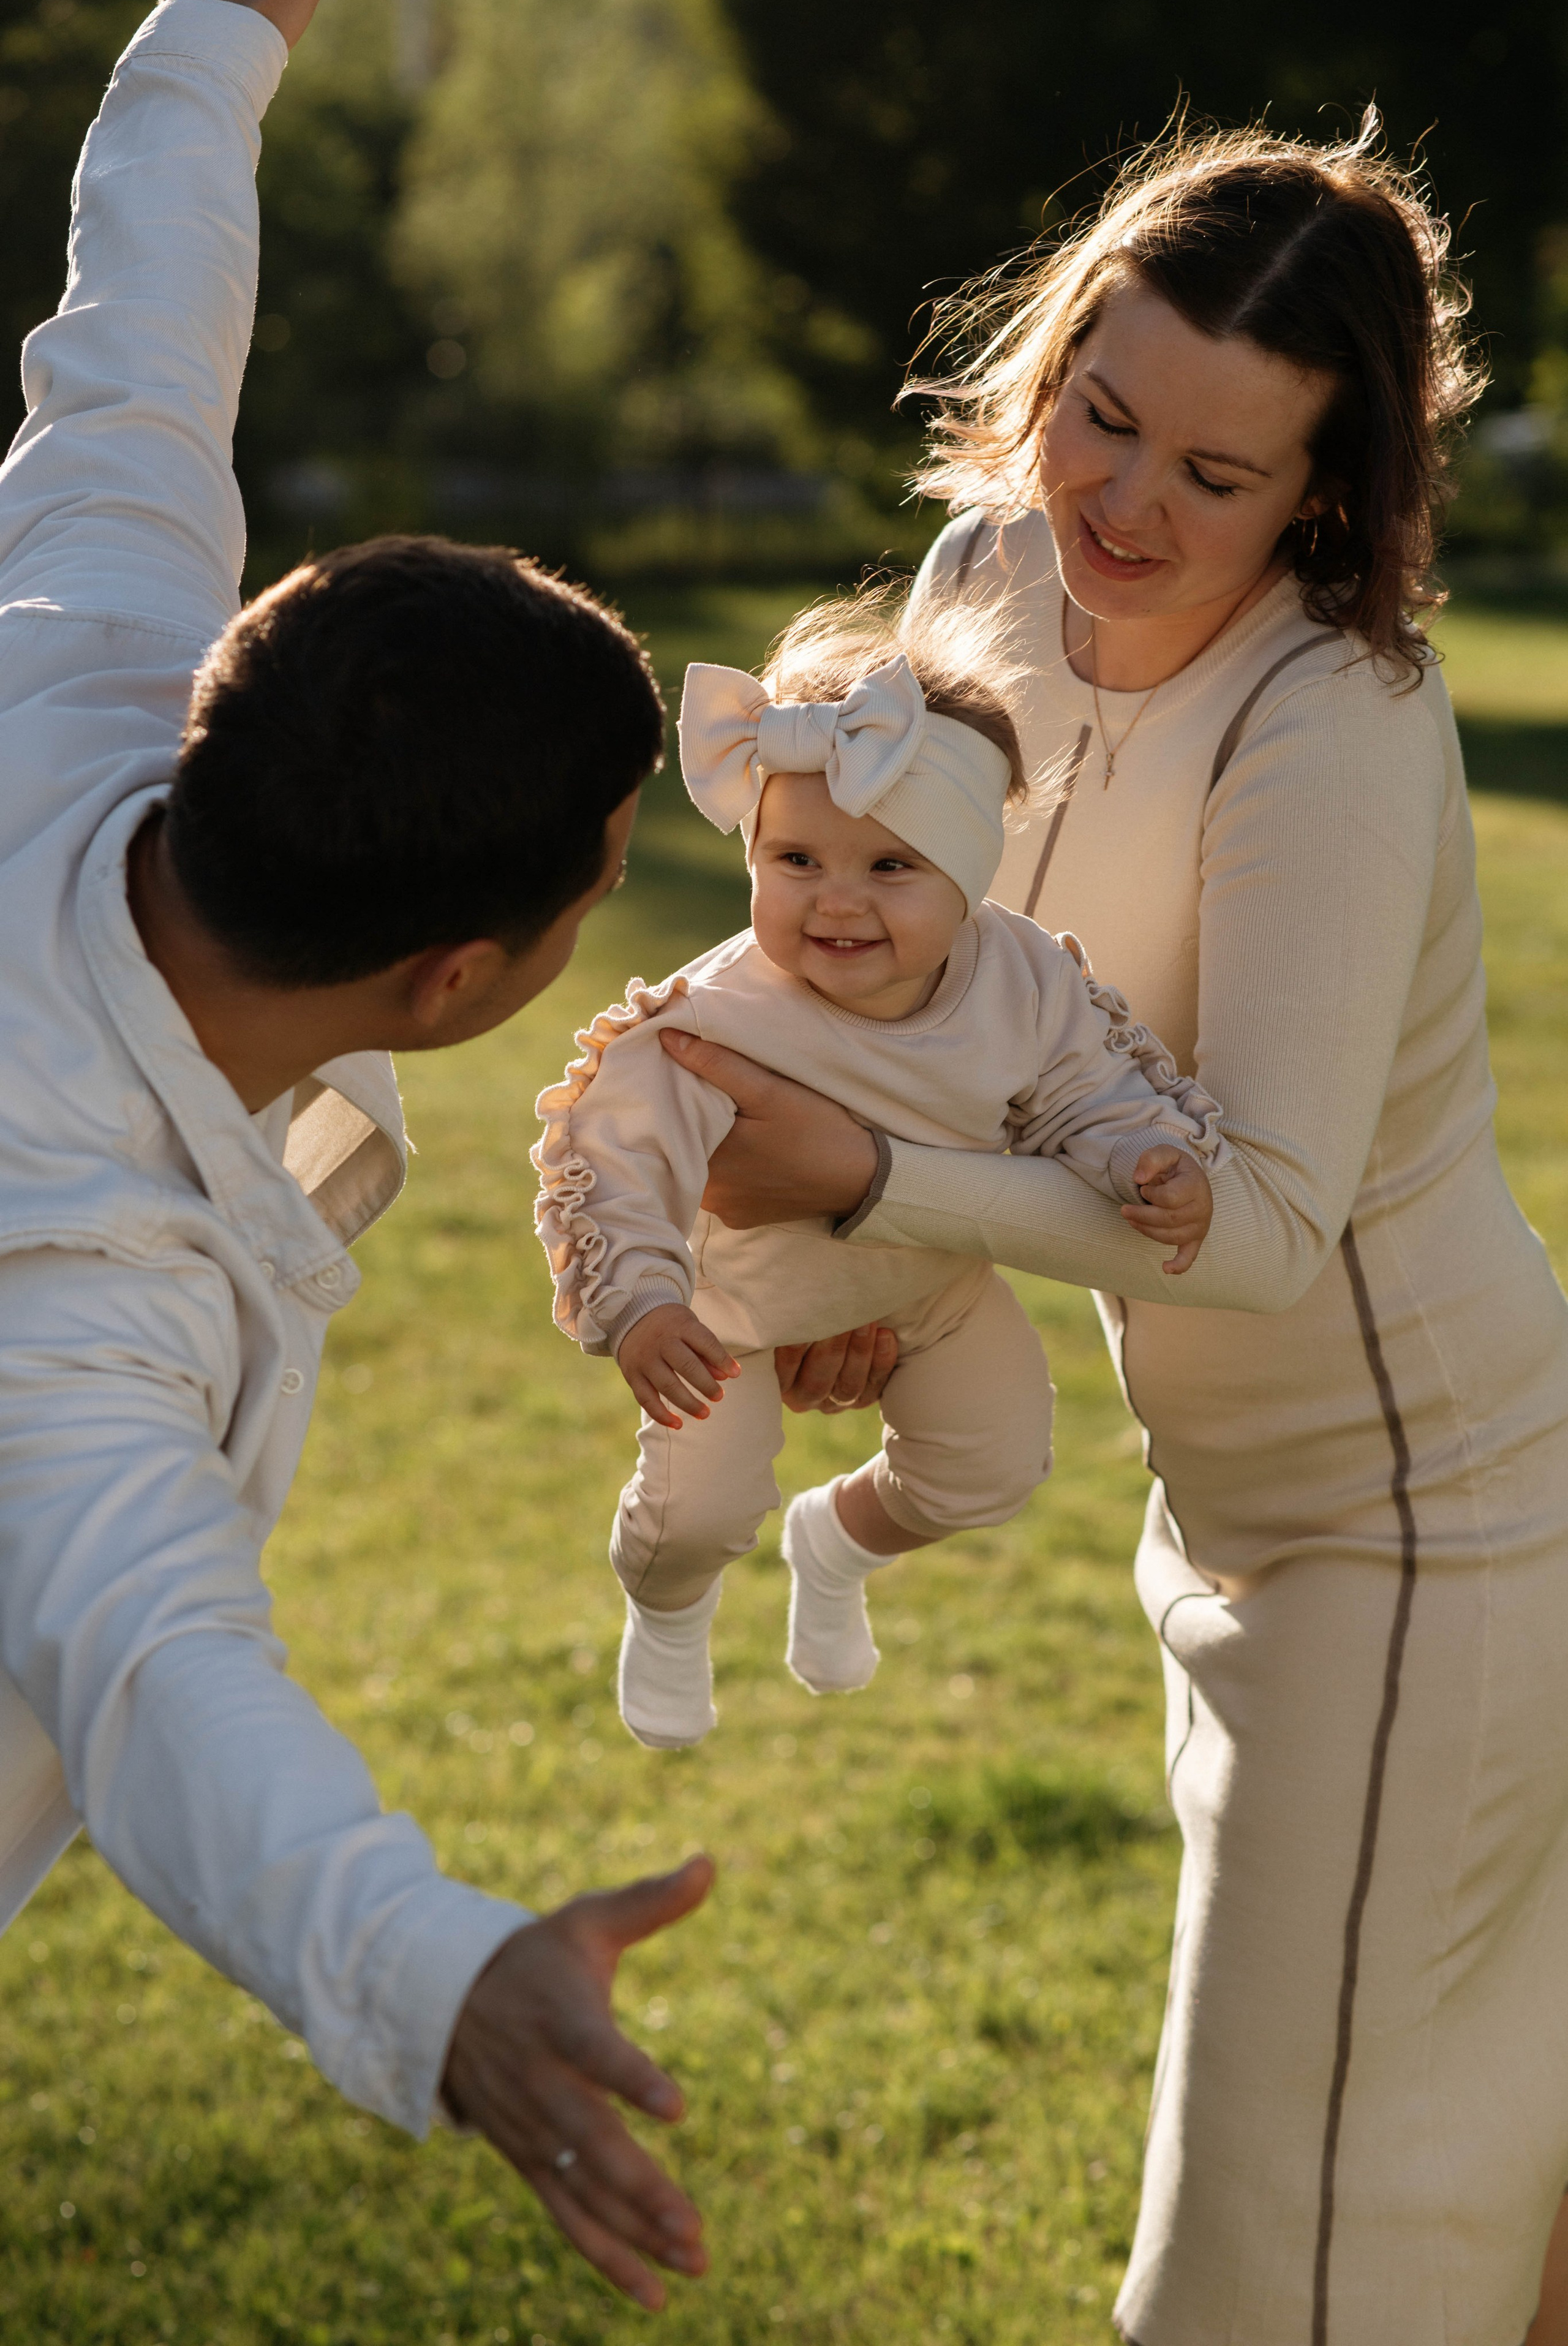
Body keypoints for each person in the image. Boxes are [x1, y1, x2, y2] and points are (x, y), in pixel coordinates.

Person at [653, 121, 1568, 2345]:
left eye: (1222, 475)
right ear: (1052, 360)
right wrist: (882, 1274)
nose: (1126, 505)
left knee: (1268, 2277)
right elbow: (961, 1005)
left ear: (1330, 497)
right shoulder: (980, 581)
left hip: (1430, 1535)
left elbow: (1254, 1224)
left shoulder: (1333, 716)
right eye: (1105, 412)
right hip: (1229, 1517)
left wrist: (871, 1192)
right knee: (1449, 2196)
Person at [0, 0, 711, 2311]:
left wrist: (225, 28)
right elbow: (162, 1678)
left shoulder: (92, 659)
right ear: (451, 975)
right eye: (601, 870)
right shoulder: (60, 1280)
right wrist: (445, 1977)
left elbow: (138, 345)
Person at [533, 587, 1219, 1749]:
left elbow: (1079, 1088)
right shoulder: (714, 1018)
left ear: (968, 876)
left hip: (932, 1282)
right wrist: (643, 1304)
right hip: (731, 1313)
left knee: (993, 1467)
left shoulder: (1022, 979)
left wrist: (1147, 1156)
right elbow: (612, 1160)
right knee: (691, 1514)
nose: (835, 902)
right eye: (795, 858)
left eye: (890, 869)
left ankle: (838, 1539)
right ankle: (669, 1609)